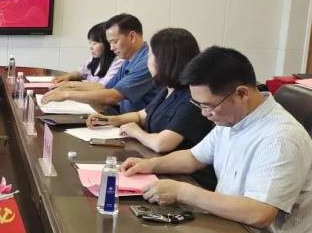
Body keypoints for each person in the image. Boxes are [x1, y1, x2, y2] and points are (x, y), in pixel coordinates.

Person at [122, 46, 312, 233]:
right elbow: (193, 157)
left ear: (242, 94)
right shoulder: (232, 119)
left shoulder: (280, 138)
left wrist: (182, 192)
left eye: (209, 105)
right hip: (232, 230)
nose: (205, 114)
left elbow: (259, 213)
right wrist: (150, 165)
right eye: (199, 105)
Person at [86, 28, 215, 189]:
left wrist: (136, 132)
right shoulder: (168, 89)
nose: (148, 60)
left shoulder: (192, 97)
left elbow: (162, 143)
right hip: (157, 166)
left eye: (151, 55)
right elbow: (143, 115)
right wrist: (109, 120)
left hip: (185, 179)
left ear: (165, 61)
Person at [43, 13, 158, 114]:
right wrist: (69, 87)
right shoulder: (129, 60)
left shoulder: (146, 62)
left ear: (132, 37)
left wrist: (67, 94)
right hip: (124, 116)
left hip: (141, 125)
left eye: (114, 42)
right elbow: (105, 87)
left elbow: (114, 96)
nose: (111, 48)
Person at [53, 23, 123, 87]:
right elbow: (80, 73)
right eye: (90, 43)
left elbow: (103, 86)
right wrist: (66, 77)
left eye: (94, 43)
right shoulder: (94, 57)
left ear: (107, 43)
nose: (91, 47)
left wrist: (71, 85)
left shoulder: (118, 61)